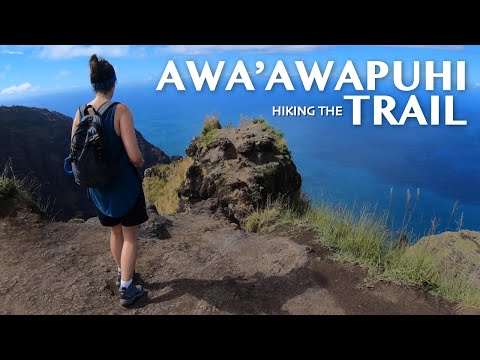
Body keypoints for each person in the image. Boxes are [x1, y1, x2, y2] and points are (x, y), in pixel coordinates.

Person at [70, 54, 147, 306]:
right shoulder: (120, 110)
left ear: (93, 84)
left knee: (115, 232)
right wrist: (140, 163)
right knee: (131, 237)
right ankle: (127, 288)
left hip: (98, 189)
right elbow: (134, 155)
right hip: (124, 187)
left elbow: (74, 153)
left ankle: (121, 273)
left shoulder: (80, 113)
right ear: (114, 82)